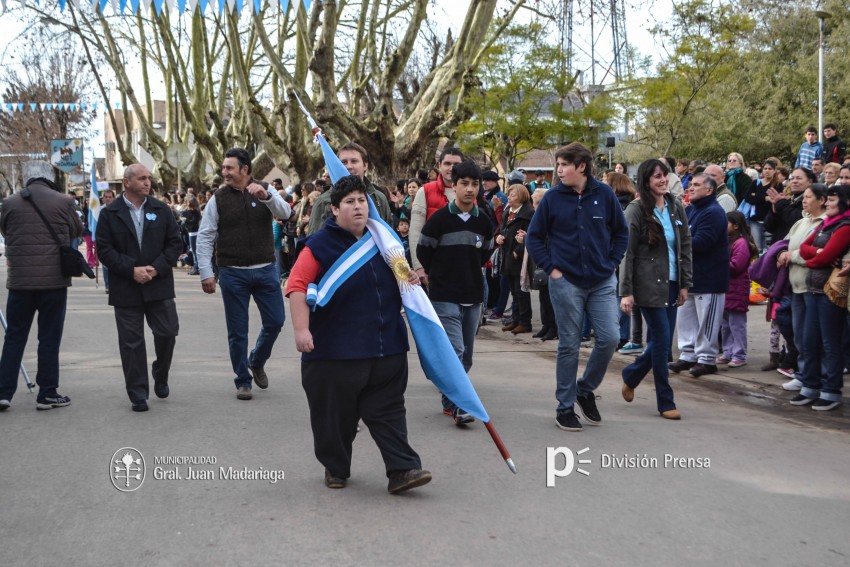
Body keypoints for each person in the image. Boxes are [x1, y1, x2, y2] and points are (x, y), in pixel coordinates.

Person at [286, 175, 431, 493]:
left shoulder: (385, 240)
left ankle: (403, 470)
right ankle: (335, 467)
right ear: (334, 209)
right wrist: (301, 330)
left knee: (389, 411)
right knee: (334, 418)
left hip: (386, 348)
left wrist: (412, 281)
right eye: (350, 202)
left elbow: (403, 279)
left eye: (362, 201)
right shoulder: (318, 246)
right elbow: (296, 286)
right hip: (335, 354)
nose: (358, 207)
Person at [526, 142, 629, 432]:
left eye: (563, 165)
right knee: (569, 345)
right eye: (557, 165)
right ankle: (565, 407)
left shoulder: (604, 194)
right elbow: (535, 238)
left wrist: (611, 264)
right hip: (566, 281)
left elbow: (621, 233)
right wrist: (552, 269)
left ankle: (585, 389)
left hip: (601, 281)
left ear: (581, 167)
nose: (558, 171)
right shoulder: (552, 198)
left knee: (609, 338)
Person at [196, 147, 291, 400]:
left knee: (276, 321)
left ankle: (256, 360)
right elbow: (205, 236)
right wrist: (206, 272)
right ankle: (243, 380)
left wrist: (267, 197)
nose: (224, 172)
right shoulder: (218, 198)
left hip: (266, 270)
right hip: (232, 273)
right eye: (223, 168)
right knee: (238, 331)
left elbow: (286, 213)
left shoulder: (265, 189)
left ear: (244, 170)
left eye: (229, 168)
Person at [96, 165, 183, 412]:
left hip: (159, 285)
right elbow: (105, 250)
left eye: (149, 178)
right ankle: (138, 393)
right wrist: (131, 269)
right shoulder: (110, 213)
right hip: (126, 287)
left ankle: (160, 372)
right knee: (131, 343)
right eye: (142, 178)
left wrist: (155, 268)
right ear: (127, 182)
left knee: (167, 333)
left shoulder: (161, 209)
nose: (147, 182)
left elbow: (174, 243)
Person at [0, 160, 82, 412]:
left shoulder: (9, 203)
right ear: (49, 177)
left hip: (20, 282)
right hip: (53, 282)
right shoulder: (64, 201)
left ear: (26, 177)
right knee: (48, 338)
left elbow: (5, 232)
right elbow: (77, 230)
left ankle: (3, 393)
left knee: (14, 337)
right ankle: (47, 394)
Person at [417, 160, 494, 424]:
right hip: (444, 294)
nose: (470, 189)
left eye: (475, 184)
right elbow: (423, 250)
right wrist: (437, 273)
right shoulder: (439, 220)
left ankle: (451, 389)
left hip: (472, 295)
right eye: (464, 184)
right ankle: (455, 405)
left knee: (467, 354)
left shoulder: (483, 221)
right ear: (454, 185)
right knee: (455, 350)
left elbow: (486, 250)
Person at [619, 159, 692, 420]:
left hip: (672, 284)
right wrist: (625, 291)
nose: (662, 180)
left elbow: (685, 245)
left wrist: (685, 283)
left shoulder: (675, 206)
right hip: (647, 286)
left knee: (660, 341)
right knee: (662, 342)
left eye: (665, 175)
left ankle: (632, 374)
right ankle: (665, 401)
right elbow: (627, 253)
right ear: (645, 181)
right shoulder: (636, 210)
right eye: (656, 177)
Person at [793, 184, 850, 411]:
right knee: (809, 340)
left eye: (833, 200)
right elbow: (806, 247)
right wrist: (817, 254)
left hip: (829, 292)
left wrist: (815, 256)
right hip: (813, 289)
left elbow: (821, 258)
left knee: (830, 343)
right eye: (828, 200)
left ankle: (831, 389)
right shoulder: (826, 224)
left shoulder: (845, 227)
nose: (828, 204)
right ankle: (810, 385)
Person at [669, 173, 729, 378]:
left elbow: (702, 243)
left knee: (707, 321)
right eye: (690, 184)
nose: (690, 188)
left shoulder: (713, 212)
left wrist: (675, 242)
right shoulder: (692, 209)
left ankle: (706, 359)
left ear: (710, 190)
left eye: (696, 185)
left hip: (709, 278)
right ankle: (688, 354)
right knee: (686, 318)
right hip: (690, 277)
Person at [775, 183, 827, 389]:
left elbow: (819, 253)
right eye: (803, 197)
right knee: (799, 333)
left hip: (814, 286)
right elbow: (784, 243)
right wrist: (780, 254)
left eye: (808, 197)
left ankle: (817, 376)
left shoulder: (824, 224)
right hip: (795, 285)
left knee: (814, 334)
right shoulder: (802, 222)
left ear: (822, 201)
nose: (803, 200)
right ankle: (803, 372)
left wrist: (792, 256)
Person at [306, 142, 393, 236]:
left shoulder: (379, 198)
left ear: (365, 165)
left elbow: (390, 236)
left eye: (354, 161)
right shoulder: (323, 201)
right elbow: (314, 241)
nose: (349, 167)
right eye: (344, 162)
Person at [409, 147, 464, 285]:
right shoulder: (425, 191)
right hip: (434, 269)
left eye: (456, 165)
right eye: (447, 164)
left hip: (463, 269)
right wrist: (418, 267)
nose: (451, 168)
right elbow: (415, 232)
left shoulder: (469, 192)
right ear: (439, 166)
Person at [717, 211, 759, 369]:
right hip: (728, 288)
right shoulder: (729, 241)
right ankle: (728, 352)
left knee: (736, 324)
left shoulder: (741, 243)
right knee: (726, 324)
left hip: (737, 288)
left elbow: (736, 266)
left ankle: (739, 354)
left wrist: (718, 264)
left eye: (726, 223)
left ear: (736, 225)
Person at [496, 184, 534, 334]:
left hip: (519, 258)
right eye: (509, 195)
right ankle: (516, 319)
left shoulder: (528, 213)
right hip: (507, 256)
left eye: (513, 195)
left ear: (521, 197)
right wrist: (498, 237)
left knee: (521, 290)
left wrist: (517, 251)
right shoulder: (507, 212)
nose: (509, 198)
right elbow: (502, 229)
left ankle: (525, 322)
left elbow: (530, 235)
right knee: (513, 290)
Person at [764, 167, 816, 241]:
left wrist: (781, 204)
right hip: (778, 246)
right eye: (792, 178)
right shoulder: (787, 200)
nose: (794, 181)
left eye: (799, 178)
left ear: (810, 181)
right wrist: (774, 212)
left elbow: (796, 222)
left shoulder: (813, 201)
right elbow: (769, 227)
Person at [100, 189, 116, 292]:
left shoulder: (118, 209)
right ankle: (108, 286)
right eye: (106, 197)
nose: (108, 199)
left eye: (110, 197)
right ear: (103, 199)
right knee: (105, 265)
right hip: (104, 240)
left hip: (116, 240)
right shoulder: (100, 210)